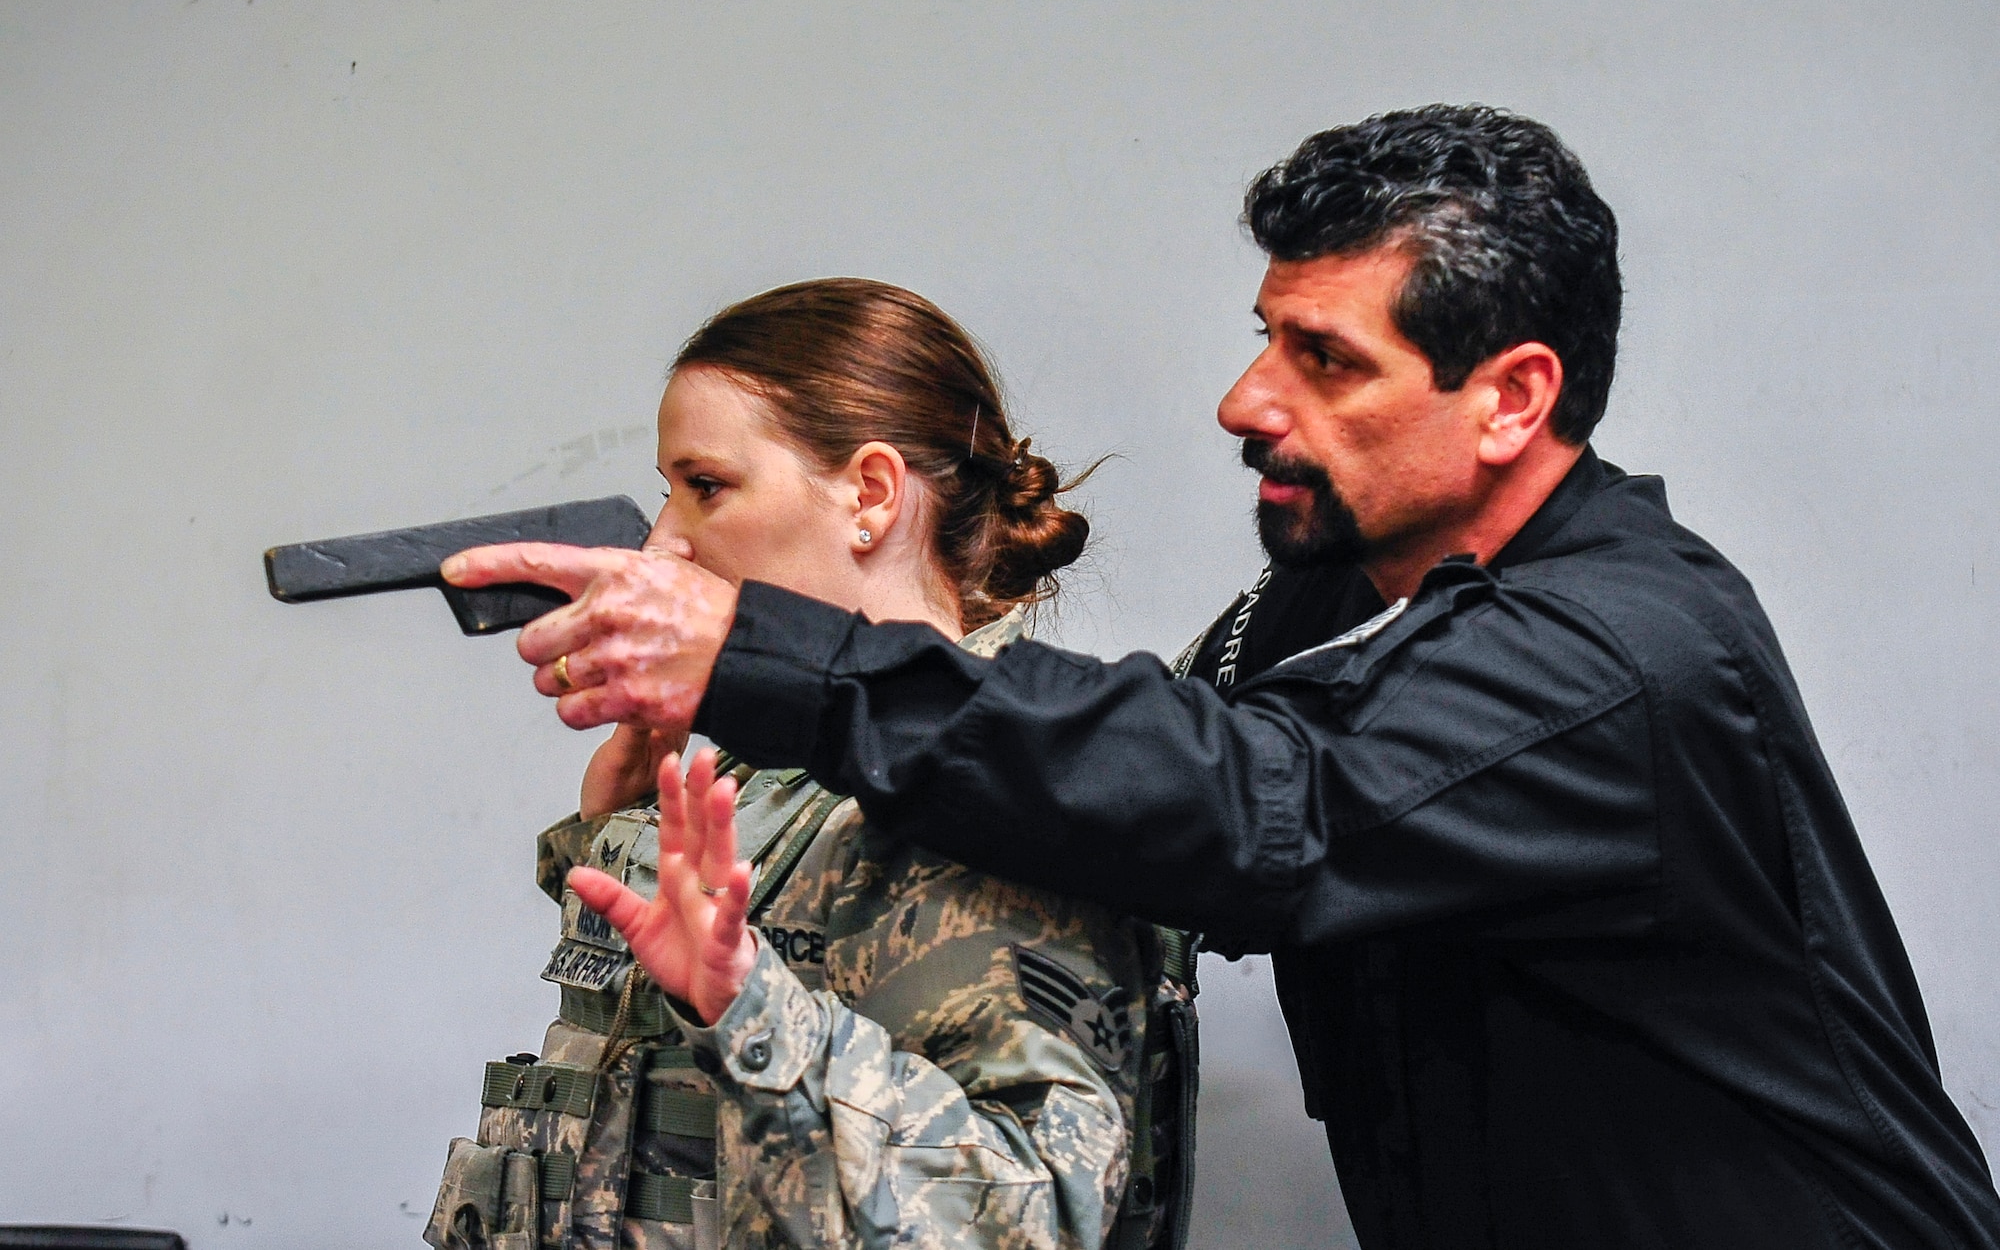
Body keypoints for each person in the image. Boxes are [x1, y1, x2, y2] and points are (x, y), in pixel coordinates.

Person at [444, 107, 2000, 1248]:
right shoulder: (1342, 598)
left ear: (1512, 397)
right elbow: (1136, 766)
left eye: (1326, 359)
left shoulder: (1615, 654)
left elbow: (1257, 813)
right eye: (1266, 336)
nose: (1244, 399)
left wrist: (752, 652)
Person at [425, 279, 1189, 1250]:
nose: (663, 541)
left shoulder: (997, 788)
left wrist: (746, 1006)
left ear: (869, 495)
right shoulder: (777, 774)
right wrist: (613, 838)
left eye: (706, 486)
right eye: (666, 492)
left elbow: (1014, 1220)